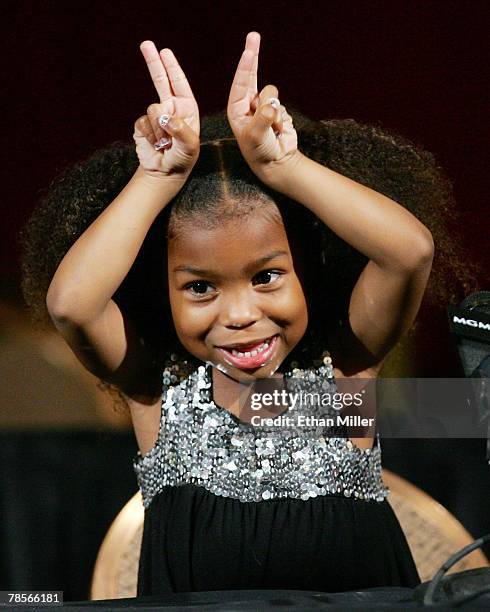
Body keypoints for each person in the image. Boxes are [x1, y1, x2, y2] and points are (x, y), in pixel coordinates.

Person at [20, 32, 476, 594]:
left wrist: (285, 166)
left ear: (309, 273)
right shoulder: (157, 391)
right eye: (201, 288)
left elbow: (410, 252)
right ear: (160, 294)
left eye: (266, 277)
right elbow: (71, 303)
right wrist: (156, 178)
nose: (240, 314)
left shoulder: (345, 377)